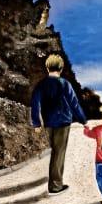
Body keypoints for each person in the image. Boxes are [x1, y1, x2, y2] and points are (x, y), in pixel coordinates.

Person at [27, 52, 85, 195]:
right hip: (63, 122)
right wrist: (83, 120)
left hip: (48, 122)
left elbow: (35, 104)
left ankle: (54, 180)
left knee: (54, 151)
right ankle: (55, 185)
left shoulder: (41, 85)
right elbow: (74, 103)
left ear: (47, 68)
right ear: (61, 68)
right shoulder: (65, 84)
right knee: (59, 153)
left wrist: (36, 123)